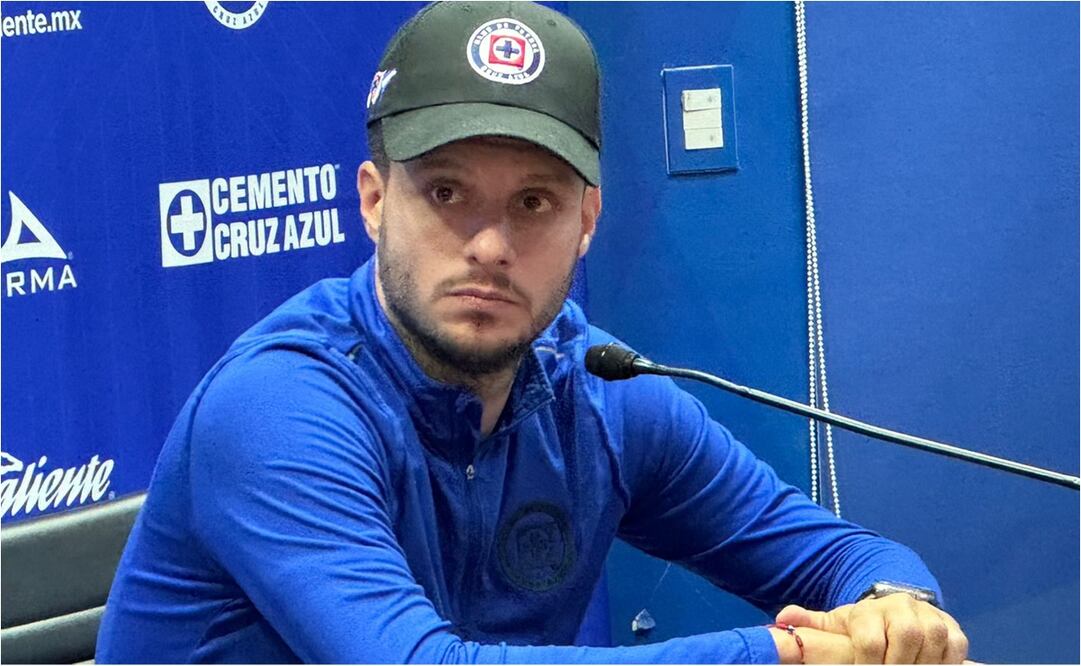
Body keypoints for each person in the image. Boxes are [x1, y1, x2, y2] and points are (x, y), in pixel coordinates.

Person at [97, 2, 969, 663]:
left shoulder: (596, 390)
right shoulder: (280, 406)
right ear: (372, 201)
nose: (487, 245)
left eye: (533, 203)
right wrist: (785, 652)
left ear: (586, 222)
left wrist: (894, 606)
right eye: (444, 193)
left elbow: (841, 554)